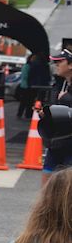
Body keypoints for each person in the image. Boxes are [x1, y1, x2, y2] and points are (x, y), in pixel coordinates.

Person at [42, 49, 72, 183]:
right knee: (46, 183)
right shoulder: (61, 84)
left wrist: (67, 99)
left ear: (70, 65)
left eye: (60, 62)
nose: (57, 65)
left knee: (66, 187)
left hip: (69, 142)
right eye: (55, 62)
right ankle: (46, 205)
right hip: (56, 141)